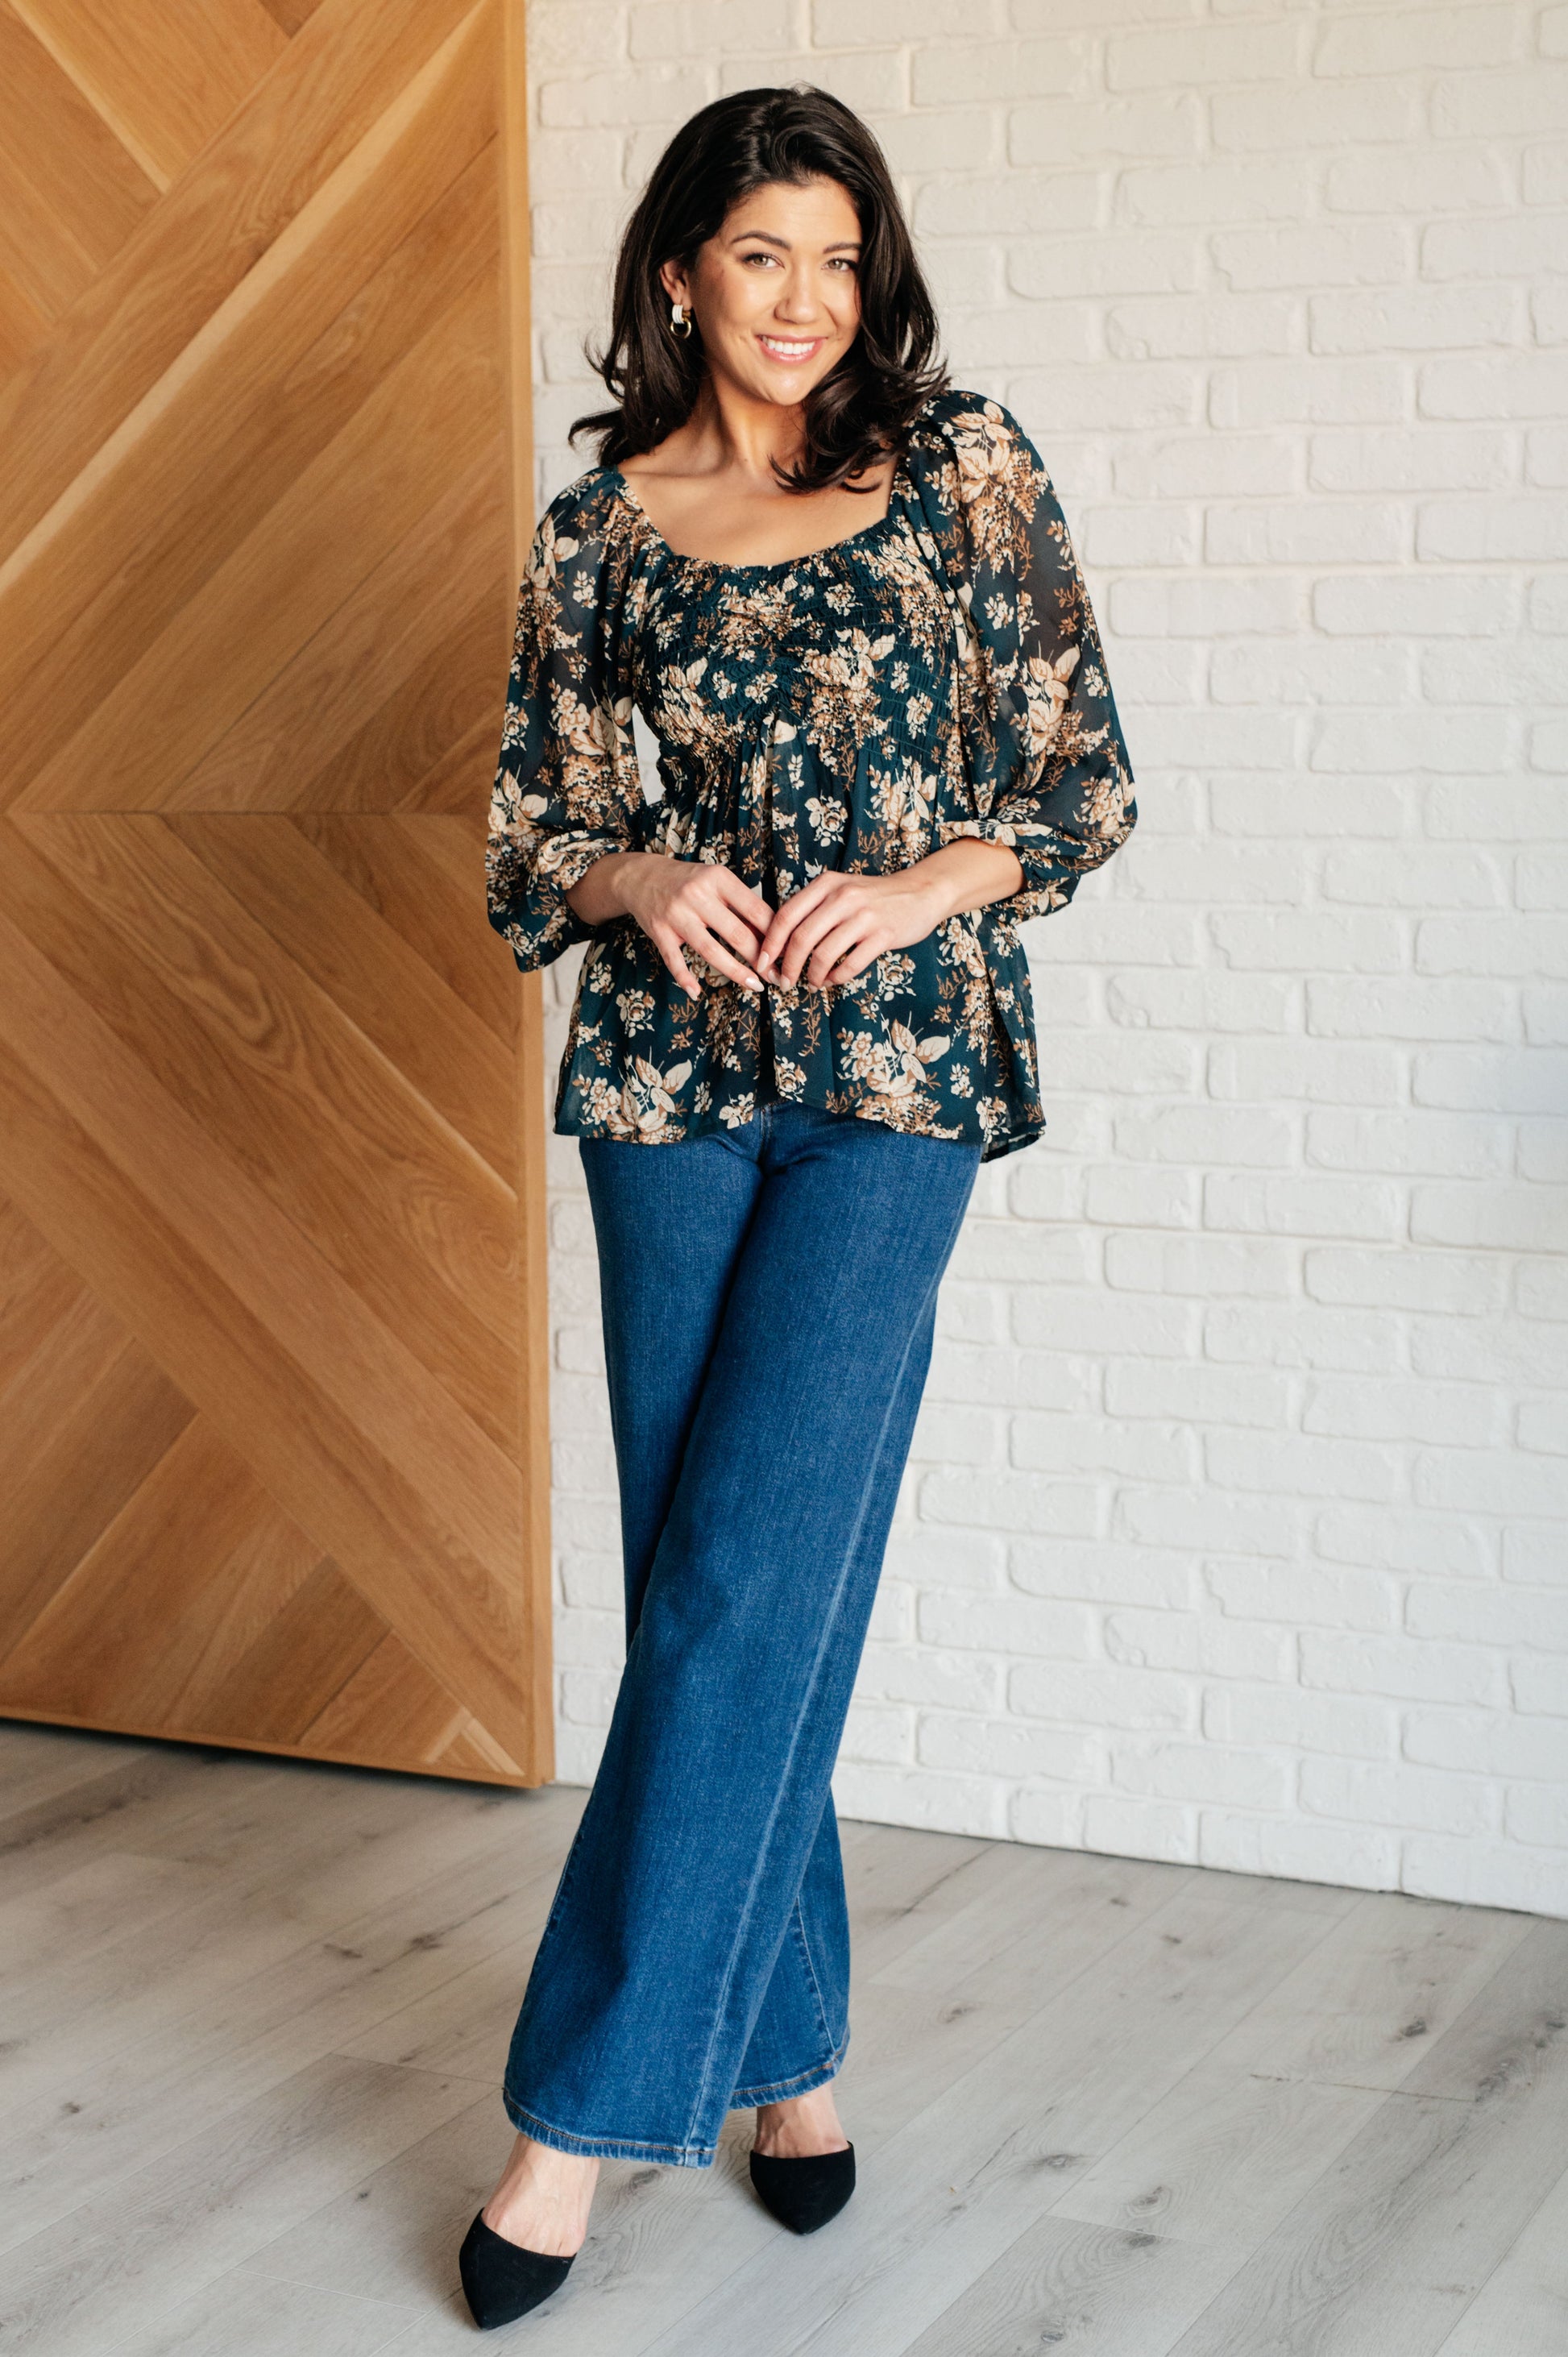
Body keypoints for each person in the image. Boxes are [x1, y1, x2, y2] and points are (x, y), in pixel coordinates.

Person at [463, 81, 1138, 2330]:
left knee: (753, 1574)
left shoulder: (964, 468)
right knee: (716, 1592)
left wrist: (926, 886)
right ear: (680, 271)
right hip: (666, 1092)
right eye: (763, 254)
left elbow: (1080, 779)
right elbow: (531, 837)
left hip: (896, 1085)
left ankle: (570, 2128)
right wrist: (638, 880)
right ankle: (792, 2062)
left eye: (840, 260)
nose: (804, 301)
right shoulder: (600, 529)